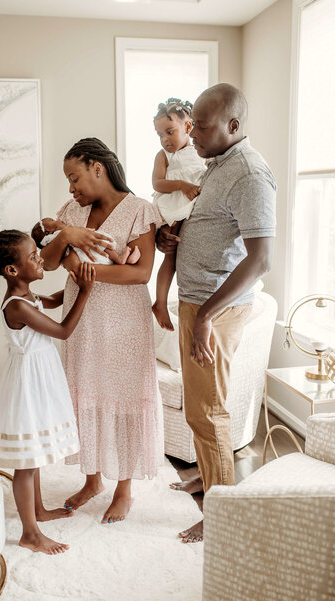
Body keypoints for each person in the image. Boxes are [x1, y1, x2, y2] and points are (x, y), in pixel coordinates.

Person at [157, 83, 276, 543]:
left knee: (208, 411)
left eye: (201, 126)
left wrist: (205, 316)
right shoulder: (216, 166)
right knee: (198, 409)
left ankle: (223, 515)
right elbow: (215, 226)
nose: (193, 133)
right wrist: (177, 239)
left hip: (215, 308)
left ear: (233, 125)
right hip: (197, 301)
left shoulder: (248, 172)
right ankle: (208, 478)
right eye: (192, 124)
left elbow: (260, 257)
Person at [41, 137, 163, 524]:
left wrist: (81, 269)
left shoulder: (140, 210)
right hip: (82, 322)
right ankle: (92, 480)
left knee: (124, 398)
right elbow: (45, 258)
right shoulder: (70, 213)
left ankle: (123, 489)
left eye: (75, 177)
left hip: (124, 323)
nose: (71, 188)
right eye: (68, 181)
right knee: (86, 395)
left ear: (98, 167)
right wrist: (68, 238)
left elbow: (141, 273)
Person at [0, 230, 95, 554]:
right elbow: (63, 331)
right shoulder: (17, 306)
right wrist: (86, 293)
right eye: (34, 256)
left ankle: (37, 511)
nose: (41, 260)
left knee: (33, 454)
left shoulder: (29, 296)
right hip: (27, 385)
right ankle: (29, 534)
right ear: (12, 270)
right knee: (26, 462)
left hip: (40, 377)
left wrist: (74, 279)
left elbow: (50, 301)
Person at [151, 98, 205, 331]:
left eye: (169, 132)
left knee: (183, 254)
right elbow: (157, 183)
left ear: (188, 127)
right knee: (169, 257)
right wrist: (182, 185)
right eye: (159, 134)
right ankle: (160, 303)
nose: (164, 139)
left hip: (195, 208)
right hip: (173, 205)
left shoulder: (201, 152)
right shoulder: (163, 156)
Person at [31, 217, 141, 265]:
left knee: (99, 242)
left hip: (86, 256)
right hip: (83, 253)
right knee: (100, 242)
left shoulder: (53, 237)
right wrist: (67, 232)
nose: (58, 220)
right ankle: (119, 258)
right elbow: (47, 260)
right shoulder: (52, 238)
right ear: (47, 230)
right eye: (53, 220)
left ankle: (124, 259)